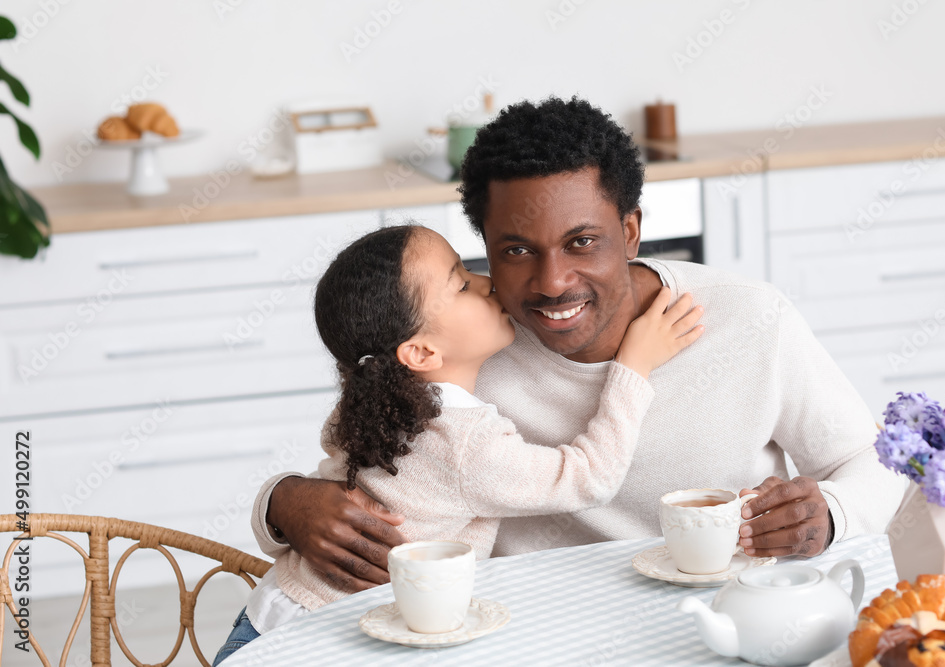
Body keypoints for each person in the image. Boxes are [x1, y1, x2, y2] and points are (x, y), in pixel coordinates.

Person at [249, 97, 905, 607]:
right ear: (484, 246)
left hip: (717, 620)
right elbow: (367, 471)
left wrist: (833, 511)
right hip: (531, 633)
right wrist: (283, 503)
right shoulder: (469, 348)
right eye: (516, 250)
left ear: (631, 229)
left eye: (583, 241)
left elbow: (875, 459)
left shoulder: (751, 320)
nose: (552, 282)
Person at [213, 223, 702, 661]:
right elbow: (588, 479)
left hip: (269, 617)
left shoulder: (371, 408)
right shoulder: (464, 440)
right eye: (463, 284)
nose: (488, 284)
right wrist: (635, 366)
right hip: (328, 644)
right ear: (422, 351)